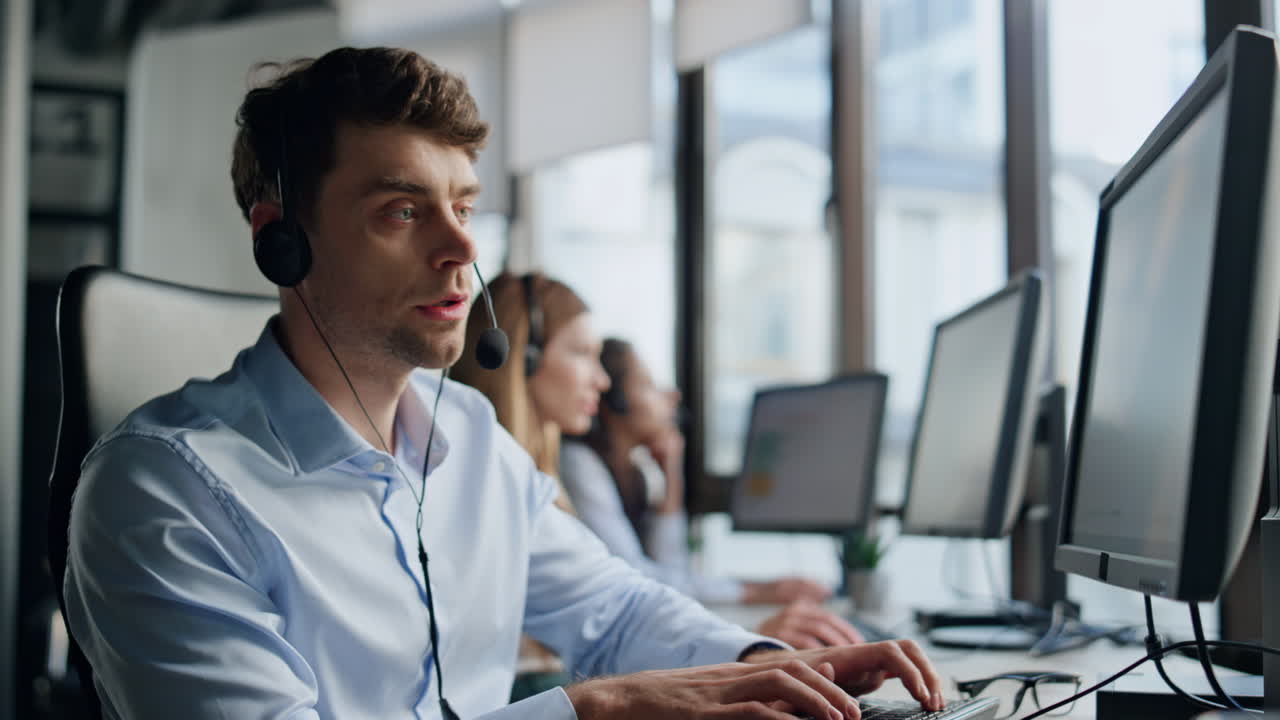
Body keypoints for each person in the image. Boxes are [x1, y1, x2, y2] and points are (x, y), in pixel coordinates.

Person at [62, 46, 944, 719]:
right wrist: (595, 708)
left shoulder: (474, 443)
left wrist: (761, 667)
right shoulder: (162, 490)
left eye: (466, 205)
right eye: (403, 211)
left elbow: (615, 610)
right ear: (279, 238)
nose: (463, 248)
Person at [558, 337, 866, 649]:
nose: (672, 395)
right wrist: (758, 592)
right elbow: (637, 579)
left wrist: (672, 475)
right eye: (649, 385)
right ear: (615, 402)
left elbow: (669, 571)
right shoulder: (577, 464)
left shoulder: (633, 473)